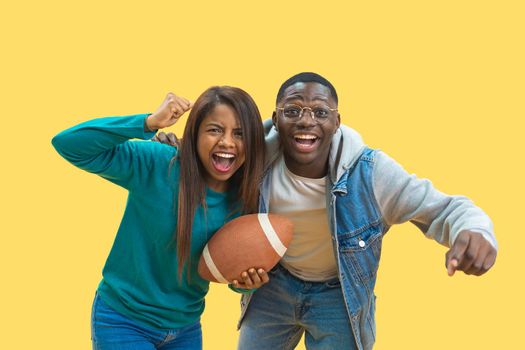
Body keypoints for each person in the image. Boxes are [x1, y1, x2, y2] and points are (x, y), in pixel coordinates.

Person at [154, 73, 498, 350]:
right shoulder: (254, 157)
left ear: (336, 122)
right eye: (293, 111)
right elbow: (215, 156)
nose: (307, 121)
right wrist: (178, 152)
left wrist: (475, 231)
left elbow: (445, 208)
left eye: (320, 112)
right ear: (276, 118)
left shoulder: (370, 172)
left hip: (339, 295)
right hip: (275, 286)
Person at [52, 86, 269, 350]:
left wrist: (243, 283)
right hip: (124, 321)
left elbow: (221, 267)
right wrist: (147, 123)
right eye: (214, 130)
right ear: (195, 134)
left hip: (186, 327)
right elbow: (68, 144)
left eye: (240, 134)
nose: (227, 142)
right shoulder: (157, 164)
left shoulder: (245, 199)